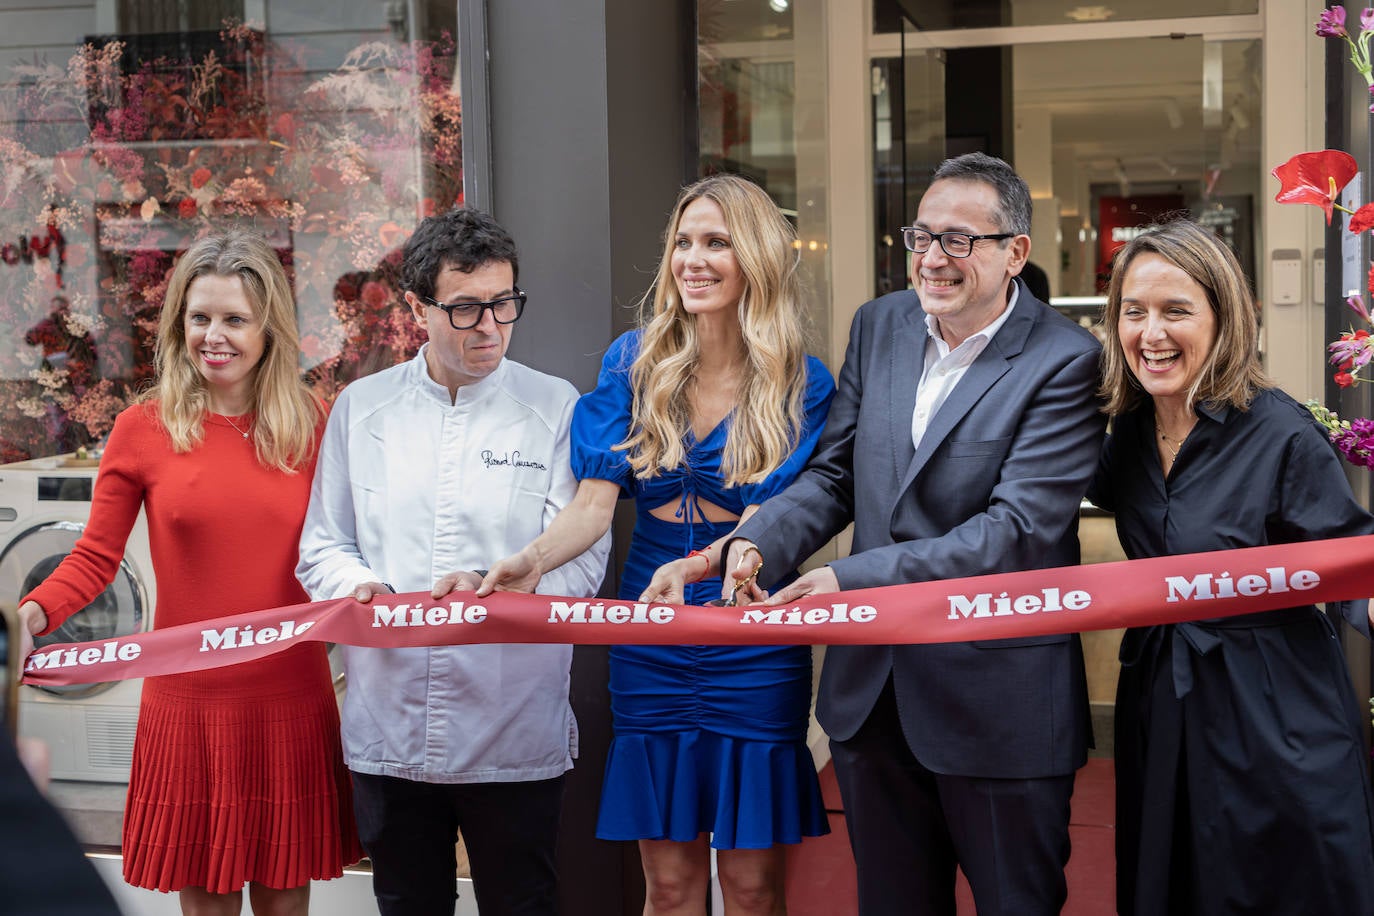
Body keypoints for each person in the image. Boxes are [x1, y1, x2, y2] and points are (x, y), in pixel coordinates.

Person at [723, 152, 1105, 916]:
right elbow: (837, 475)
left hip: (1000, 704)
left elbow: (1019, 530)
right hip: (875, 699)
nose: (932, 259)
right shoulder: (881, 325)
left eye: (958, 240)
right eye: (921, 237)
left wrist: (853, 579)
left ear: (1014, 253)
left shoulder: (1068, 360)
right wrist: (763, 537)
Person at [476, 173, 836, 915]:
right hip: (651, 627)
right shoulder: (635, 362)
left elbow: (780, 514)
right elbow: (594, 503)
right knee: (667, 886)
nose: (692, 260)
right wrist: (532, 562)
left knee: (750, 886)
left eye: (716, 243)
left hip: (753, 636)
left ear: (758, 259)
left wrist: (722, 565)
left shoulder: (803, 381)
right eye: (683, 242)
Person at [15, 230, 361, 915]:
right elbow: (94, 556)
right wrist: (25, 619)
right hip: (189, 702)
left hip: (288, 696)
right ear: (178, 323)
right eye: (199, 317)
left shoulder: (313, 424)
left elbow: (348, 548)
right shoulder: (144, 426)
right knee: (205, 901)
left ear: (269, 330)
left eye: (234, 319)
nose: (215, 336)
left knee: (287, 900)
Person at [296, 207, 610, 916]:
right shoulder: (361, 410)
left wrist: (496, 595)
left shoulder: (556, 407)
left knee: (523, 902)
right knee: (407, 901)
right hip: (389, 718)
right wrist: (364, 589)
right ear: (417, 308)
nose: (491, 328)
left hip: (513, 718)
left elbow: (583, 563)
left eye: (505, 304)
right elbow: (322, 545)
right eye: (466, 309)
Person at [1087, 219, 1374, 915]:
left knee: (1268, 884)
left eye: (1176, 311)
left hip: (1271, 706)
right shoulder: (1124, 432)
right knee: (1171, 878)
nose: (1151, 334)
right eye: (1135, 312)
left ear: (1225, 319)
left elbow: (1349, 570)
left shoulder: (1281, 432)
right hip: (1161, 695)